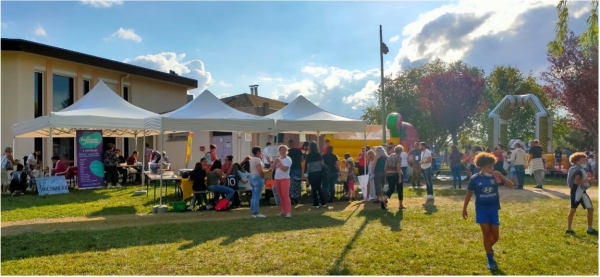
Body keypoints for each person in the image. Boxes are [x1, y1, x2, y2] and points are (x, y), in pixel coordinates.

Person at [462, 152, 514, 270]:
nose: (492, 169)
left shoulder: (495, 177)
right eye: (489, 167)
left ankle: (488, 248)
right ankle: (490, 259)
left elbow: (511, 185)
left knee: (495, 236)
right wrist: (464, 208)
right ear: (481, 167)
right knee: (486, 233)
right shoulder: (475, 179)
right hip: (481, 209)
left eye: (492, 166)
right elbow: (469, 194)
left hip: (493, 209)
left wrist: (500, 175)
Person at [566, 152, 598, 235]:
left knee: (590, 209)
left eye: (585, 160)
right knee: (573, 210)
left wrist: (590, 181)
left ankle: (590, 229)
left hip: (582, 192)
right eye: (583, 160)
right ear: (577, 161)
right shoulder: (578, 170)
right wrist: (588, 180)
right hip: (576, 192)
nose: (585, 161)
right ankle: (569, 229)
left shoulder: (579, 169)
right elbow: (576, 182)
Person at [304, 141, 327, 208]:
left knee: (314, 189)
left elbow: (306, 166)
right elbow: (322, 164)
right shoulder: (318, 154)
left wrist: (306, 175)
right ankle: (323, 203)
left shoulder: (309, 155)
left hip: (312, 173)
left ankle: (316, 203)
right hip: (319, 173)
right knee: (319, 188)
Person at [273, 145, 293, 217]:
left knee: (285, 195)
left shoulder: (288, 159)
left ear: (286, 151)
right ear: (279, 151)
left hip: (285, 179)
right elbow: (273, 168)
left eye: (284, 150)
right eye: (281, 150)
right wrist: (274, 162)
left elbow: (285, 169)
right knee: (280, 196)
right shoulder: (278, 159)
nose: (283, 151)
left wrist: (279, 163)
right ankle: (283, 211)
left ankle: (288, 212)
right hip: (277, 178)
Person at [383, 145, 404, 210]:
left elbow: (385, 166)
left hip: (389, 174)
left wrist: (386, 173)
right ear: (401, 151)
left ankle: (384, 199)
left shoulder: (390, 156)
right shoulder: (399, 157)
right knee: (399, 189)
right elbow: (398, 167)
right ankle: (400, 205)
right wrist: (400, 177)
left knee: (391, 189)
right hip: (396, 174)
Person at [249, 146, 266, 218]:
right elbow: (260, 170)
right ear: (258, 152)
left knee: (254, 196)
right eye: (260, 151)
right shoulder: (258, 160)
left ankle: (253, 211)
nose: (261, 153)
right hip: (257, 177)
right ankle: (256, 212)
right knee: (257, 196)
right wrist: (263, 176)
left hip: (252, 177)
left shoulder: (252, 159)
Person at [287, 140, 303, 205]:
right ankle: (297, 197)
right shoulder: (299, 151)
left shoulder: (288, 152)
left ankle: (292, 197)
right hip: (298, 168)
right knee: (297, 183)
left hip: (290, 168)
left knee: (291, 184)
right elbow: (302, 159)